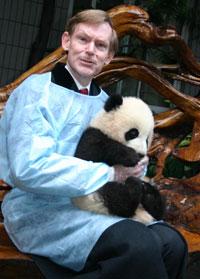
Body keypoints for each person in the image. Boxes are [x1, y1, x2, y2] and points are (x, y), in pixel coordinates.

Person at [0, 8, 188, 279]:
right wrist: (109, 174)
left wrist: (136, 165)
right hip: (39, 210)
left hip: (95, 204)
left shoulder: (107, 104)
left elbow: (120, 159)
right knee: (137, 244)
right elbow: (29, 168)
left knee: (172, 244)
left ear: (109, 57)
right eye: (83, 40)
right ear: (66, 42)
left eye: (100, 45)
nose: (90, 51)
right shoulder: (36, 92)